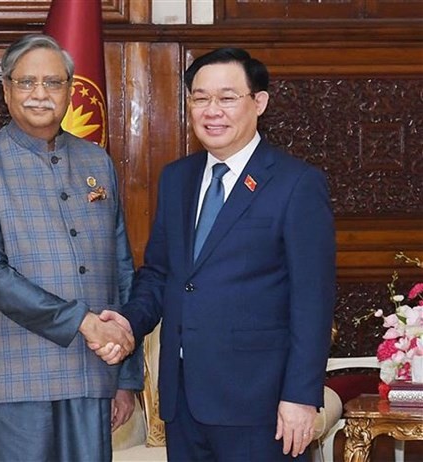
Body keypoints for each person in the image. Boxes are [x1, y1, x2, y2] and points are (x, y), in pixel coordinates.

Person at [94, 47, 336, 461]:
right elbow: (160, 273)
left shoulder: (297, 184)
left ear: (258, 103)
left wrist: (300, 396)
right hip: (184, 399)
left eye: (227, 98)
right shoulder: (177, 178)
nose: (212, 111)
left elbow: (312, 300)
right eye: (200, 98)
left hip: (259, 403)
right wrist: (129, 322)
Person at [0, 33, 142, 461]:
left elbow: (121, 270)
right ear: (6, 90)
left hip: (95, 373)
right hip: (20, 377)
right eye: (26, 83)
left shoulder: (98, 162)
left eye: (54, 83)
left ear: (70, 92)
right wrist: (84, 322)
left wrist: (126, 378)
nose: (40, 94)